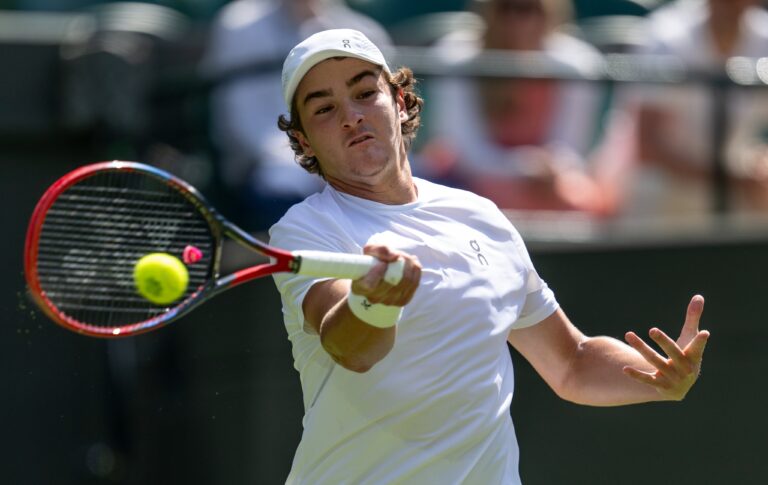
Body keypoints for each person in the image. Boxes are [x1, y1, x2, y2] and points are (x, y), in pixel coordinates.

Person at [268, 29, 710, 484]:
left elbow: (571, 361)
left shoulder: (481, 217)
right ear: (302, 141)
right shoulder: (306, 228)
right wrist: (374, 302)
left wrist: (655, 375)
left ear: (399, 102)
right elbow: (350, 349)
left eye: (365, 93)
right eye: (325, 109)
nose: (351, 116)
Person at [200, 0, 392, 229]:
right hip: (266, 177)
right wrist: (316, 162)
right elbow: (243, 126)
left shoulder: (364, 31)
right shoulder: (238, 26)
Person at [418, 0, 614, 215]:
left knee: (583, 204)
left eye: (530, 9)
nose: (518, 20)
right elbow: (463, 148)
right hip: (467, 179)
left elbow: (571, 148)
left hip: (548, 183)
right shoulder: (454, 59)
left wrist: (545, 170)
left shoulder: (579, 65)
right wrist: (521, 169)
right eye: (506, 8)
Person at [618, 0, 768, 215]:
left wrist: (760, 162)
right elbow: (648, 147)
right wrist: (732, 181)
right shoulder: (665, 38)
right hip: (661, 198)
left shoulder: (764, 37)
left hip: (736, 195)